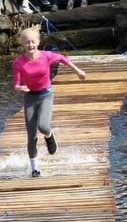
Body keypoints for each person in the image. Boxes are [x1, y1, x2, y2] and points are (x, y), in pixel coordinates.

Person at [13, 26, 87, 178]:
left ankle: (49, 135)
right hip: (30, 97)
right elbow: (16, 83)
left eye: (33, 42)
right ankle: (35, 169)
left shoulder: (46, 56)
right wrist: (19, 88)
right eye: (27, 42)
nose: (30, 45)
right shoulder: (18, 62)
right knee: (31, 135)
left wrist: (78, 71)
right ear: (22, 44)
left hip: (46, 94)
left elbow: (63, 59)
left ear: (38, 42)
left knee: (43, 126)